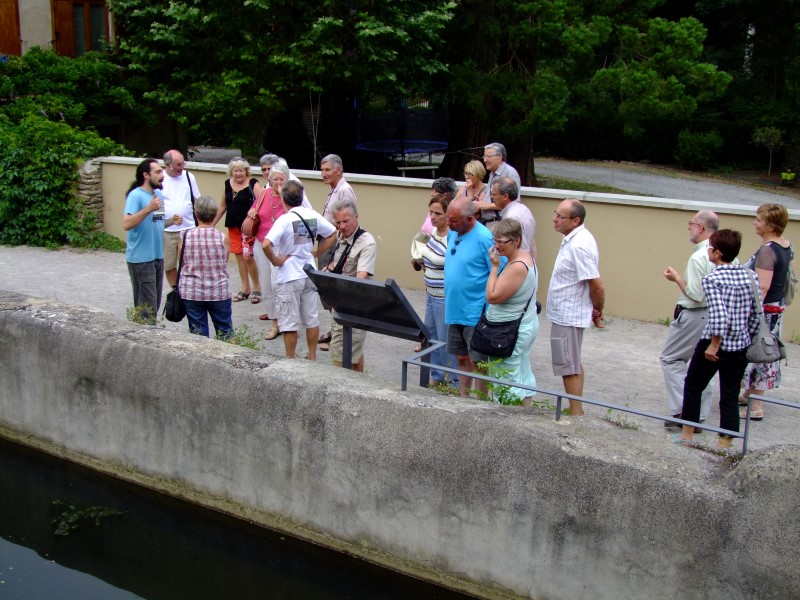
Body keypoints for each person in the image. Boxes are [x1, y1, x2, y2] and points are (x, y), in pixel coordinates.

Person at [678, 229, 759, 448]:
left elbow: (719, 315)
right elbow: (755, 314)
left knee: (694, 385)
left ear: (717, 253)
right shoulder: (750, 276)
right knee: (730, 394)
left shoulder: (712, 278)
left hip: (714, 344)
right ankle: (725, 444)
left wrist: (714, 345)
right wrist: (748, 339)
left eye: (710, 248)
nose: (709, 251)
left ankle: (686, 436)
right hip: (740, 344)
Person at [263, 180, 337, 360]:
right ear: (302, 197)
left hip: (289, 274)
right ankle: (311, 356)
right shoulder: (312, 215)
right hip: (309, 272)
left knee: (289, 322)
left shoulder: (284, 219)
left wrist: (276, 261)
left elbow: (266, 244)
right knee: (311, 319)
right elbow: (333, 233)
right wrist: (317, 252)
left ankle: (290, 359)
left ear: (283, 199)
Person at [546, 198, 605, 416]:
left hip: (568, 314)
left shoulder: (579, 244)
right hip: (564, 312)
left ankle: (576, 414)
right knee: (571, 363)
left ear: (575, 220)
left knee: (567, 365)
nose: (555, 219)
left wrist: (597, 310)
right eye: (556, 213)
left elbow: (597, 285)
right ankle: (577, 411)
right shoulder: (573, 238)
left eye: (560, 216)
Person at [661, 211, 719, 430]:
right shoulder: (726, 253)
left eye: (691, 224)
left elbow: (696, 295)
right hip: (714, 315)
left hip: (695, 314)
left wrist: (677, 278)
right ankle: (699, 413)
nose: (689, 227)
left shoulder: (699, 256)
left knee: (671, 358)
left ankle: (683, 411)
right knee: (703, 363)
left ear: (701, 228)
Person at [739, 204, 795, 421]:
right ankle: (748, 394)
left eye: (759, 219)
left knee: (759, 354)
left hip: (764, 313)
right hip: (775, 310)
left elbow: (762, 287)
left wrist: (749, 312)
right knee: (764, 353)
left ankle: (756, 407)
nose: (755, 223)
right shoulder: (785, 244)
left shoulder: (767, 250)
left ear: (771, 225)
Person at [444, 196, 501, 397]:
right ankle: (463, 398)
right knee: (461, 358)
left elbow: (498, 270)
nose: (448, 223)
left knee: (478, 361)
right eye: (448, 218)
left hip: (475, 312)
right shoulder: (453, 233)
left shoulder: (485, 238)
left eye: (454, 220)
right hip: (454, 309)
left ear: (470, 218)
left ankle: (481, 402)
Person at [249, 163, 312, 341]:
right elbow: (253, 211)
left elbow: (304, 220)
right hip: (263, 243)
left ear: (287, 180)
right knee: (268, 286)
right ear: (269, 180)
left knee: (282, 286)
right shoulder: (263, 193)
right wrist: (252, 212)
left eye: (281, 179)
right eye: (274, 179)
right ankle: (275, 323)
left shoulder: (292, 197)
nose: (278, 183)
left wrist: (305, 251)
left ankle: (289, 324)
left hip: (283, 248)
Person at [484, 219, 539, 406]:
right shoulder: (525, 257)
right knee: (523, 374)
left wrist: (494, 267)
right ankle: (526, 415)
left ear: (516, 241)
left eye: (501, 242)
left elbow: (492, 296)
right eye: (495, 241)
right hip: (522, 326)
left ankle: (510, 419)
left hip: (510, 332)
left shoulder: (517, 266)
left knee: (506, 380)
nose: (497, 246)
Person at [123, 158, 183, 324]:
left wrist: (171, 221)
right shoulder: (135, 196)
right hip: (141, 259)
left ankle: (147, 333)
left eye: (161, 171)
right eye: (157, 172)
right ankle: (144, 336)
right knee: (146, 309)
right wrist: (148, 208)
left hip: (157, 257)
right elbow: (127, 224)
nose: (162, 175)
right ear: (146, 175)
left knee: (153, 305)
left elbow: (157, 222)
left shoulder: (158, 195)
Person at [410, 181, 458, 386]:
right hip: (430, 293)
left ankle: (453, 381)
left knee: (445, 342)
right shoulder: (431, 234)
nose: (433, 217)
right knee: (431, 337)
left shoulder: (453, 238)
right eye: (431, 212)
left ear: (448, 215)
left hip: (444, 297)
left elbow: (448, 263)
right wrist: (418, 260)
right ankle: (437, 377)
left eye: (438, 213)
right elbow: (422, 251)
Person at [326, 198, 377, 371]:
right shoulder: (342, 236)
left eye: (345, 221)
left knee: (340, 357)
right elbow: (338, 264)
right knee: (354, 352)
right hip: (340, 304)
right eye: (337, 222)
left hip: (355, 307)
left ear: (357, 217)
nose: (341, 226)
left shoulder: (367, 242)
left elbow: (360, 279)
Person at [178, 196, 233, 339]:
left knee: (198, 335)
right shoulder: (223, 237)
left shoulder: (185, 236)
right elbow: (224, 260)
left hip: (192, 291)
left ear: (196, 214)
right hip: (218, 290)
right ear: (214, 215)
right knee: (225, 331)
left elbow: (182, 262)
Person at [318, 154, 358, 346]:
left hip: (336, 245)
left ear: (338, 170)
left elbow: (348, 222)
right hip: (328, 243)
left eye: (327, 170)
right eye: (322, 170)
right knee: (326, 288)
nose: (323, 174)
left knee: (332, 288)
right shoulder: (335, 189)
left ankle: (339, 331)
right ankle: (335, 327)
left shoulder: (344, 190)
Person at [213, 157, 263, 304]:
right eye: (235, 171)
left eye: (241, 170)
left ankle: (257, 287)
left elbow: (261, 202)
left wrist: (254, 212)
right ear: (231, 172)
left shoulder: (253, 183)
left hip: (248, 228)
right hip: (233, 226)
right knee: (239, 257)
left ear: (246, 171)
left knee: (248, 257)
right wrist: (211, 223)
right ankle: (245, 288)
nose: (238, 173)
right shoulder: (227, 184)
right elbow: (223, 206)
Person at [161, 149, 201, 288]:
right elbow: (155, 207)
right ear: (168, 165)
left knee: (190, 265)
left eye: (183, 163)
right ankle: (176, 292)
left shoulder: (189, 176)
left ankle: (189, 290)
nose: (182, 167)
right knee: (169, 265)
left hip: (189, 229)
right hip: (168, 231)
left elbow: (198, 201)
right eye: (178, 164)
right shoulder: (160, 179)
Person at [477, 142, 520, 230]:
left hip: (498, 223)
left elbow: (514, 203)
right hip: (486, 223)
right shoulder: (492, 173)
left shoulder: (510, 173)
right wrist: (481, 201)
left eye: (488, 156)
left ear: (499, 157)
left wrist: (487, 205)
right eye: (484, 156)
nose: (485, 160)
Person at [489, 177, 536, 257]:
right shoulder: (523, 209)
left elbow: (522, 247)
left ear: (505, 196)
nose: (491, 197)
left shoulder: (512, 217)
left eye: (494, 194)